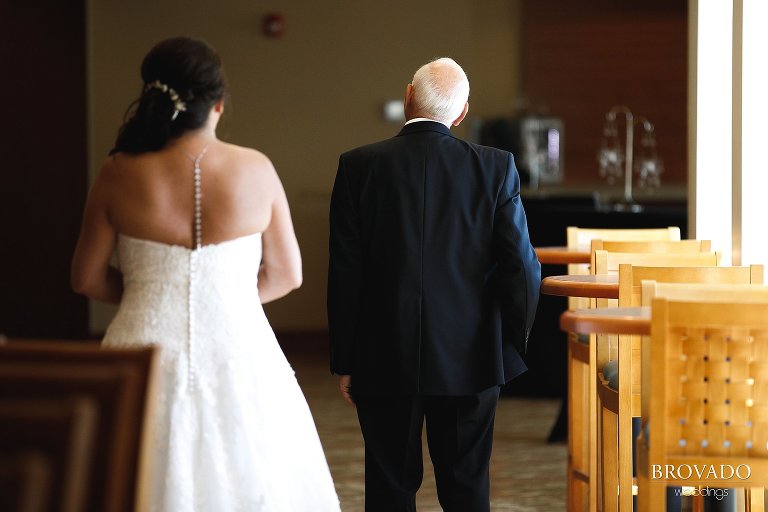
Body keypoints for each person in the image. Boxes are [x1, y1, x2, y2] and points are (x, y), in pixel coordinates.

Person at [71, 36, 340, 511]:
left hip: (140, 348)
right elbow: (287, 274)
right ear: (218, 104)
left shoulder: (118, 173)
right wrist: (227, 297)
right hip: (240, 346)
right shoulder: (256, 168)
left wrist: (149, 292)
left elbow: (86, 278)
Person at [328, 57, 541, 511]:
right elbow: (522, 266)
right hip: (472, 354)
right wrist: (511, 340)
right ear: (462, 113)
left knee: (389, 485)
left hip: (382, 353)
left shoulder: (357, 166)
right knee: (466, 486)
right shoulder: (495, 167)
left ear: (409, 96)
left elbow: (346, 271)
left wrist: (346, 358)